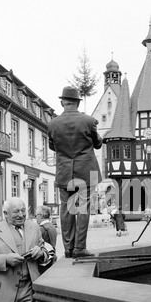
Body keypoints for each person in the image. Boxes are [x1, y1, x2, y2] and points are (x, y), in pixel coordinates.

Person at [48, 86, 103, 259]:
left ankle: (68, 249)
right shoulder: (88, 121)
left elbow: (52, 146)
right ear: (77, 102)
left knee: (67, 209)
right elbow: (98, 144)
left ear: (62, 102)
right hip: (86, 171)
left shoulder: (52, 123)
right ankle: (80, 248)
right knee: (83, 208)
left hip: (65, 172)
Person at [33, 205, 57, 302]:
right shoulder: (52, 226)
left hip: (43, 264)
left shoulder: (41, 229)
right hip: (51, 261)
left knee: (38, 293)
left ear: (41, 216)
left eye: (36, 214)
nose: (35, 217)